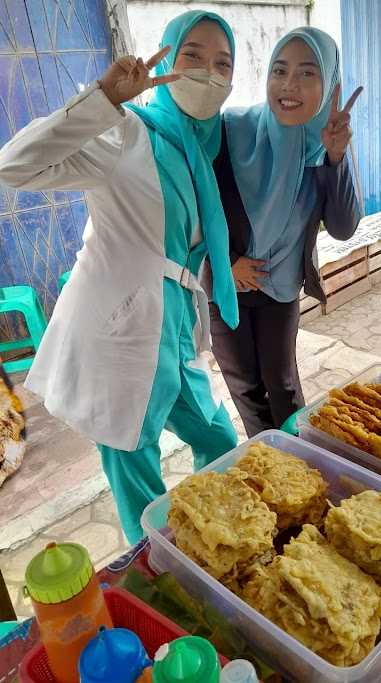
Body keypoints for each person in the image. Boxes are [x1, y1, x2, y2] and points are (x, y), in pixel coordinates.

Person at [0, 10, 240, 544]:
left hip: (173, 332)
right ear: (166, 59)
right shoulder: (126, 133)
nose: (208, 72)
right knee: (136, 469)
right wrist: (104, 100)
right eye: (192, 56)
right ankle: (152, 567)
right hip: (123, 334)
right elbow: (12, 165)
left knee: (221, 440)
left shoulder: (203, 147)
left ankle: (222, 536)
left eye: (222, 64)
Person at [210, 27, 362, 437]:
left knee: (283, 386)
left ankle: (299, 456)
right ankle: (267, 464)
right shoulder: (229, 130)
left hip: (280, 288)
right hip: (227, 286)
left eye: (307, 73)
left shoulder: (324, 145)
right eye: (280, 70)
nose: (289, 86)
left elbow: (346, 227)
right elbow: (194, 211)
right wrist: (225, 264)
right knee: (245, 389)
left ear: (329, 83)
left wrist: (337, 157)